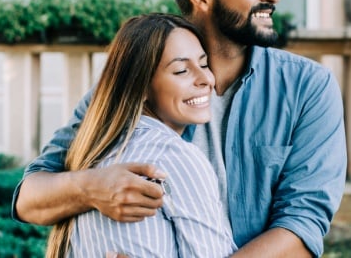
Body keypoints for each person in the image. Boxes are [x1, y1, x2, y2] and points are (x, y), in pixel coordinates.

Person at [14, 0, 347, 257]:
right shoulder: (138, 82)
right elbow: (29, 199)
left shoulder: (307, 87)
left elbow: (302, 226)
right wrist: (90, 188)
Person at [46, 13, 236, 257]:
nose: (206, 80)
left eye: (204, 64)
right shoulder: (172, 156)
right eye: (181, 71)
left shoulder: (95, 154)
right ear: (141, 87)